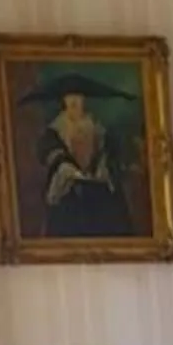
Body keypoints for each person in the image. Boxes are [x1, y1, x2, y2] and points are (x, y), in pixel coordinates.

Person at [34, 78, 133, 238]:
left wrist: (104, 164)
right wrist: (65, 166)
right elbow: (47, 152)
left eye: (78, 97)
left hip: (98, 190)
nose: (74, 102)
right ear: (63, 100)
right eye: (69, 97)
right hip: (68, 191)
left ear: (84, 100)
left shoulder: (97, 127)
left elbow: (111, 152)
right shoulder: (55, 130)